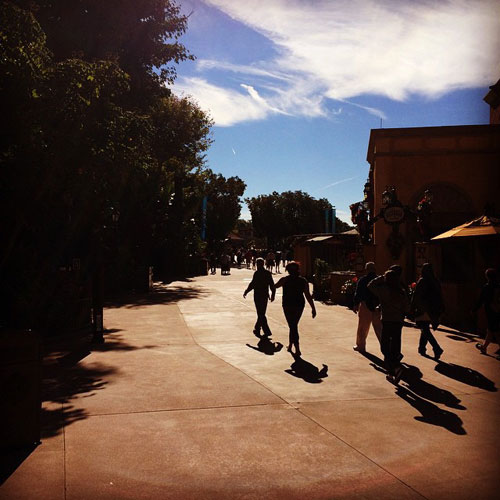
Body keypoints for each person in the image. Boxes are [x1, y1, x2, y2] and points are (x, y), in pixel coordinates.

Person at [368, 269, 410, 383]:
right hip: (398, 322)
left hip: (387, 321)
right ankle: (393, 372)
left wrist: (381, 277)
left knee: (385, 347)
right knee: (396, 345)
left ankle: (394, 369)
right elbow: (407, 308)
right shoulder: (401, 291)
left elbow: (370, 285)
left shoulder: (383, 290)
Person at [275, 261, 316, 356]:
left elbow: (274, 286)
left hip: (288, 305)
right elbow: (308, 295)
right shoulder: (303, 281)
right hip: (299, 305)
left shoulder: (284, 280)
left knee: (292, 326)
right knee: (293, 325)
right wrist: (313, 308)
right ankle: (290, 345)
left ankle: (297, 348)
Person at [411, 263, 444, 359]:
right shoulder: (435, 281)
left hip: (423, 308)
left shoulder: (422, 281)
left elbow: (416, 296)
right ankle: (422, 348)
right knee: (424, 328)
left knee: (424, 328)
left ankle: (436, 347)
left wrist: (412, 308)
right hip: (433, 310)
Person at [352, 262, 382, 353]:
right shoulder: (379, 280)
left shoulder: (363, 280)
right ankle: (386, 348)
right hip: (377, 306)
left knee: (363, 327)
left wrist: (356, 304)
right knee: (379, 328)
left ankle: (360, 346)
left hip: (365, 305)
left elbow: (358, 293)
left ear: (366, 269)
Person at [243, 258, 275, 337]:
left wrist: (246, 291)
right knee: (261, 313)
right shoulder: (267, 273)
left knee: (260, 313)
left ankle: (262, 330)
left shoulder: (257, 273)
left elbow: (253, 284)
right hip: (264, 295)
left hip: (258, 295)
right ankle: (259, 329)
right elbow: (272, 285)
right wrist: (273, 294)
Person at [473, 268, 500, 355]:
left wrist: (474, 310)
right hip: (497, 310)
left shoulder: (487, 287)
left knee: (495, 330)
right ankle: (484, 347)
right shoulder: (498, 286)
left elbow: (481, 300)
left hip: (491, 311)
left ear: (487, 277)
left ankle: (484, 347)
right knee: (491, 330)